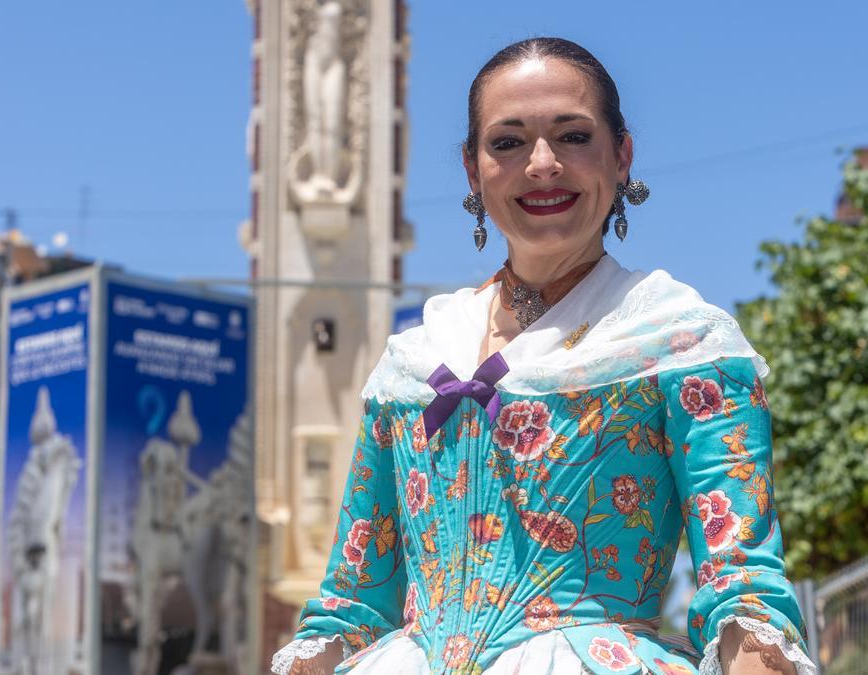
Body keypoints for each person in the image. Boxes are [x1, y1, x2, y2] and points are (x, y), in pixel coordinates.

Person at [271, 37, 817, 675]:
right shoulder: (412, 361)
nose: (542, 164)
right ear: (473, 171)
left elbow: (743, 586)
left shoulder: (683, 342)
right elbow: (353, 605)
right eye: (507, 142)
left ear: (622, 155)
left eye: (573, 136)